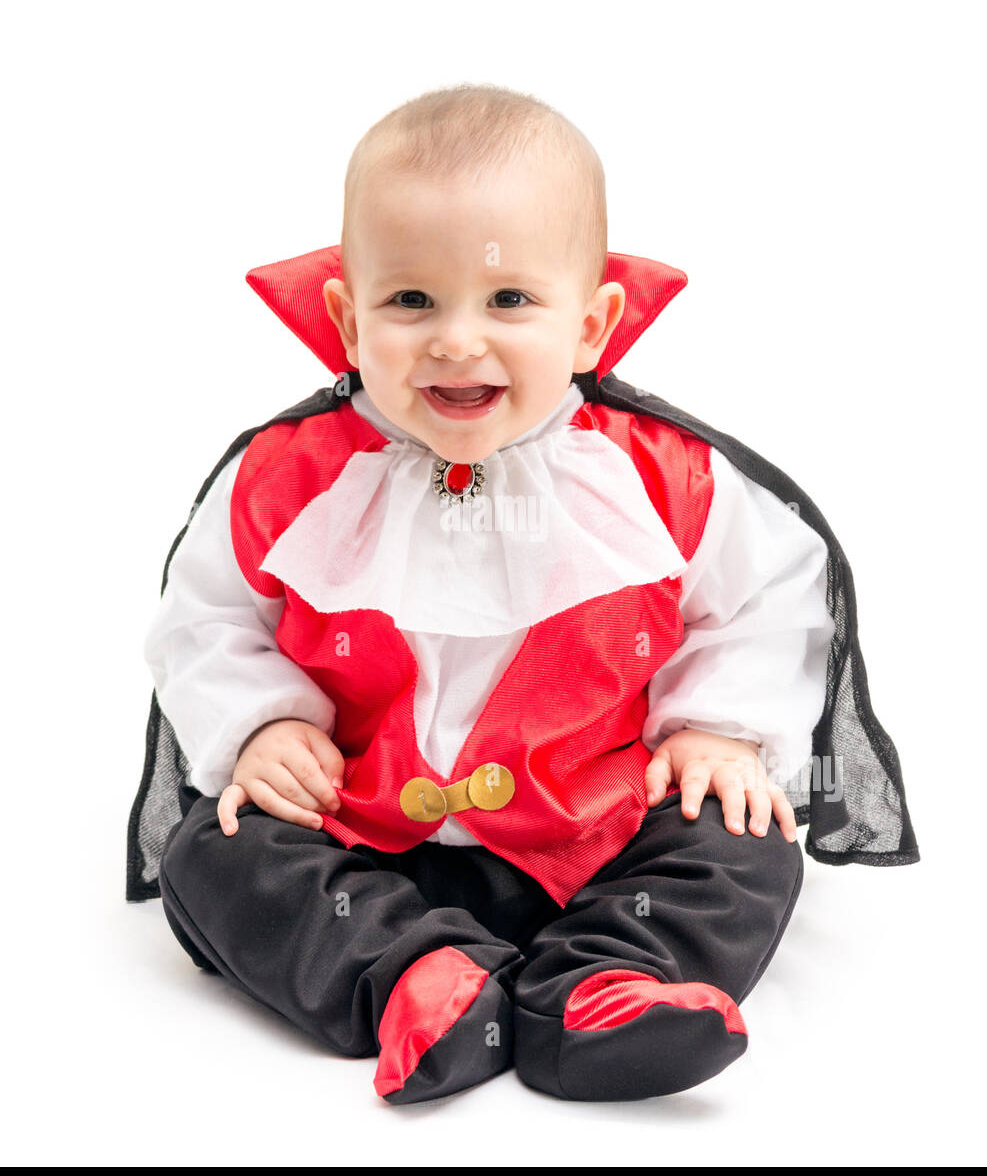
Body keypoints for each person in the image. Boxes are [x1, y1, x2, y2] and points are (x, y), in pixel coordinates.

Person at [130, 82, 917, 1104]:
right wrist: (260, 726)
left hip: (597, 828)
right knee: (217, 848)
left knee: (747, 840)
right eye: (410, 300)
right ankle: (416, 975)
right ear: (346, 314)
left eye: (509, 301)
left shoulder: (661, 475)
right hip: (366, 833)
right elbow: (206, 619)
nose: (458, 340)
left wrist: (717, 732)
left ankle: (606, 982)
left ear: (592, 324)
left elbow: (761, 602)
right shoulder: (289, 478)